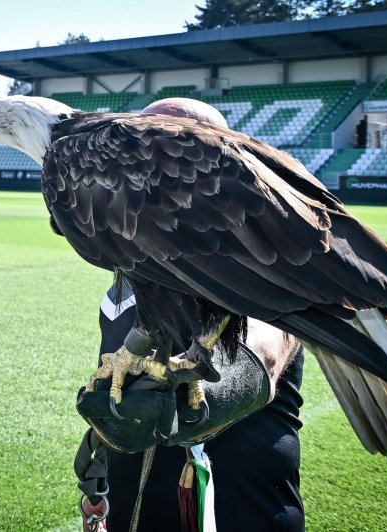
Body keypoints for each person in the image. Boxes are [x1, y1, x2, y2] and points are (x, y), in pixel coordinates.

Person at [81, 99, 305, 532]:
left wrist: (220, 393)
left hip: (238, 510)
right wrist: (101, 473)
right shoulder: (132, 266)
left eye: (172, 148)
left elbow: (272, 340)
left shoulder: (262, 262)